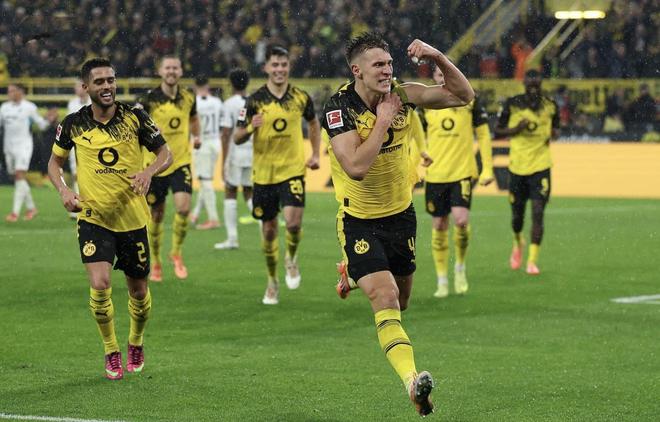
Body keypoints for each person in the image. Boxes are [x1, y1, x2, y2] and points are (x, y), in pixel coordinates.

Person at [323, 33, 474, 416]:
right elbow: (355, 167)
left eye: (389, 64)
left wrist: (437, 56)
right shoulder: (338, 108)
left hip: (401, 216)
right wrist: (383, 121)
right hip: (358, 220)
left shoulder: (403, 95)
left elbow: (463, 95)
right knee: (386, 297)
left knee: (402, 302)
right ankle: (412, 382)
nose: (387, 71)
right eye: (378, 65)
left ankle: (351, 274)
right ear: (357, 70)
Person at [47, 58, 172, 380]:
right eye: (99, 82)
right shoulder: (73, 123)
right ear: (86, 87)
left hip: (132, 219)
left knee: (139, 293)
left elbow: (165, 154)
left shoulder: (135, 117)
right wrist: (63, 190)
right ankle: (111, 349)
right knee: (100, 284)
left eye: (111, 80)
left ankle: (136, 341)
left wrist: (148, 172)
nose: (107, 86)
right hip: (94, 217)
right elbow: (54, 163)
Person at [234, 45, 321, 304]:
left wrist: (316, 154)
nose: (280, 69)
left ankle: (291, 258)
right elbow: (237, 137)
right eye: (275, 65)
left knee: (293, 224)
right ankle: (272, 280)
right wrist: (251, 127)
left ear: (288, 67)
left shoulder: (301, 97)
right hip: (264, 175)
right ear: (266, 68)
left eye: (283, 64)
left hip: (292, 170)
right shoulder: (253, 100)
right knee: (270, 231)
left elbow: (314, 123)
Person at [419, 66, 494, 298]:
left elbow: (483, 134)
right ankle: (442, 279)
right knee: (439, 225)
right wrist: (413, 166)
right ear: (434, 78)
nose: (443, 79)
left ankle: (460, 267)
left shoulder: (469, 99)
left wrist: (488, 168)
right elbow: (415, 136)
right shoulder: (425, 104)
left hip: (462, 172)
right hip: (435, 174)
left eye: (446, 74)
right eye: (439, 75)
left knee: (461, 221)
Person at [137, 56, 200, 281]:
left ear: (181, 71)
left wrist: (197, 136)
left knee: (183, 208)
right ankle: (156, 260)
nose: (171, 71)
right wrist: (149, 130)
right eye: (168, 68)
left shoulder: (189, 97)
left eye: (175, 67)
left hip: (181, 161)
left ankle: (176, 252)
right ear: (160, 71)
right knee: (157, 214)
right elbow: (134, 127)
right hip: (156, 165)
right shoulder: (148, 100)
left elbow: (194, 119)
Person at [494, 69, 559, 275]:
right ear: (524, 84)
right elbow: (497, 130)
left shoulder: (550, 105)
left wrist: (553, 133)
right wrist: (515, 130)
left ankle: (532, 261)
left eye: (536, 83)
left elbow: (556, 129)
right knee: (517, 217)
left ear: (540, 84)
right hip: (518, 168)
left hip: (541, 167)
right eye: (530, 83)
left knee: (538, 212)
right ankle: (517, 241)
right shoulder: (512, 104)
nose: (533, 86)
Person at [214, 68, 254, 250]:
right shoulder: (254, 101)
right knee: (249, 192)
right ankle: (265, 229)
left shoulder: (228, 104)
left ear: (230, 84)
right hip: (252, 152)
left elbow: (226, 133)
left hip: (235, 152)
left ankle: (232, 239)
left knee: (230, 191)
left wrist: (224, 161)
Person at [0, 83, 49, 222]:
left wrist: (48, 120)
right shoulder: (4, 108)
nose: (10, 93)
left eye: (12, 91)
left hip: (23, 146)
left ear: (20, 92)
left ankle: (14, 213)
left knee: (19, 175)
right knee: (16, 177)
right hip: (8, 147)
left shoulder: (29, 107)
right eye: (9, 91)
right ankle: (31, 208)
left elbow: (41, 125)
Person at [189, 75, 223, 230]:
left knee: (205, 181)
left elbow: (191, 123)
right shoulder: (217, 102)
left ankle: (213, 219)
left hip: (201, 143)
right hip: (216, 142)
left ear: (195, 86)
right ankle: (195, 213)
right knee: (206, 179)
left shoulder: (193, 102)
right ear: (208, 85)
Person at [65, 79, 92, 219]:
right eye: (76, 87)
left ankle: (90, 206)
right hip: (76, 143)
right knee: (76, 175)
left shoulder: (94, 102)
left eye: (79, 86)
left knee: (92, 176)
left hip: (93, 144)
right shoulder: (72, 103)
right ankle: (77, 207)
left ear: (86, 87)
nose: (77, 89)